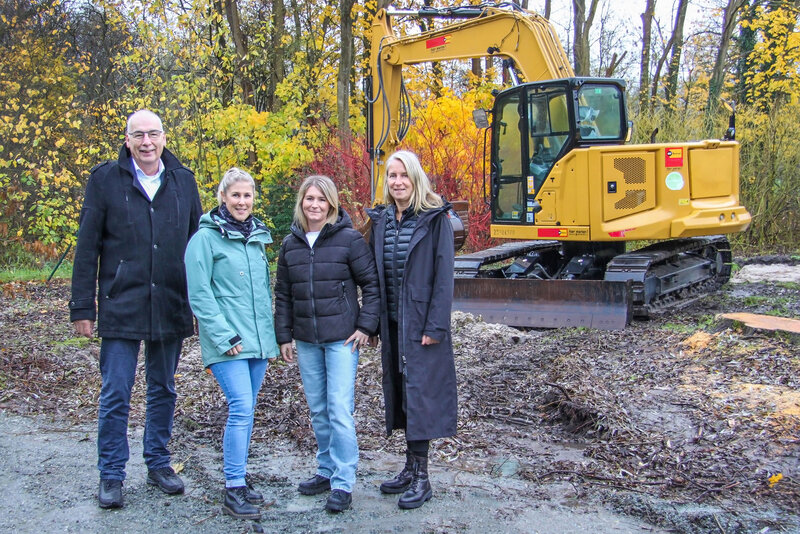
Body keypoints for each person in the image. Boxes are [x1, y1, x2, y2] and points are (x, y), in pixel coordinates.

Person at [69, 109, 202, 509]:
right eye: (138, 135)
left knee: (163, 388)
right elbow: (87, 246)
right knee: (116, 392)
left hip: (170, 301)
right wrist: (82, 307)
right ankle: (111, 474)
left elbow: (199, 247)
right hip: (120, 302)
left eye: (153, 134)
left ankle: (159, 462)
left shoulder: (183, 181)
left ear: (164, 138)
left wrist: (205, 304)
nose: (147, 142)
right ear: (127, 140)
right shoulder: (105, 180)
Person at [274, 175, 380, 513]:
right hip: (306, 341)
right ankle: (326, 468)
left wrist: (365, 326)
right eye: (309, 199)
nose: (315, 205)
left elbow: (371, 286)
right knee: (319, 410)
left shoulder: (349, 239)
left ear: (331, 204)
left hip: (342, 341)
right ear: (302, 203)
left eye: (321, 199)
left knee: (339, 410)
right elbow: (283, 295)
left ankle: (343, 481)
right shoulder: (290, 245)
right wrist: (284, 335)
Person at [184, 167, 279, 521]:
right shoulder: (204, 240)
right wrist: (225, 336)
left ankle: (239, 477)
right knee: (241, 406)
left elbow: (260, 294)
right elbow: (199, 293)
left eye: (247, 195)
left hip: (256, 343)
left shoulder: (256, 237)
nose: (242, 201)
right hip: (228, 344)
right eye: (235, 195)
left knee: (248, 409)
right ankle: (233, 487)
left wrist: (270, 341)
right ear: (222, 197)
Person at [366, 150, 457, 510]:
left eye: (403, 175)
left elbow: (443, 278)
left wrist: (436, 325)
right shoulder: (383, 221)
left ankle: (423, 477)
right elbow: (374, 276)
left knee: (421, 395)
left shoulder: (435, 221)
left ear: (415, 178)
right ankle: (409, 466)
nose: (397, 182)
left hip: (421, 325)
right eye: (392, 176)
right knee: (402, 393)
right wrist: (372, 323)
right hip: (392, 322)